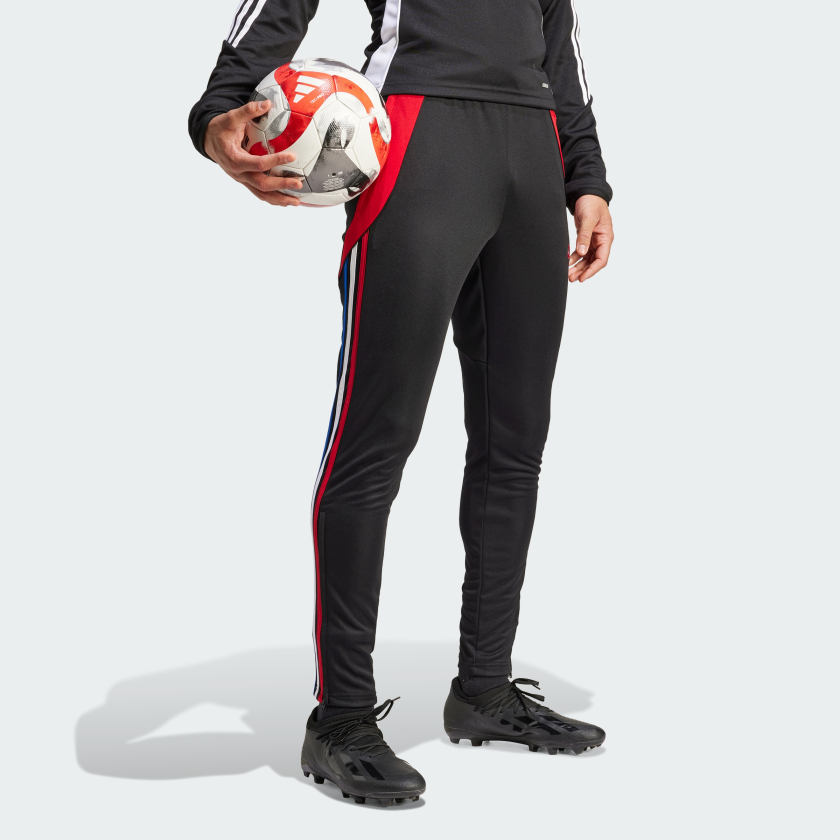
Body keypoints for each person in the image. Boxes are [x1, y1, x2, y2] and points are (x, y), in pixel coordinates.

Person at [189, 0, 614, 806]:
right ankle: (342, 719)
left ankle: (485, 688)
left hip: (535, 148)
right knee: (371, 445)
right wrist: (219, 110)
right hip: (422, 143)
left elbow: (561, 44)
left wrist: (586, 178)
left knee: (515, 444)